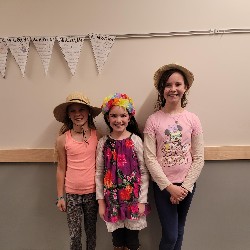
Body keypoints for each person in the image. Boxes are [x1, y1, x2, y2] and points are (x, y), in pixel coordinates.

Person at [143, 64, 204, 250]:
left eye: (178, 84)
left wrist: (184, 187)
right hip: (164, 187)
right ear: (162, 89)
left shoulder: (192, 119)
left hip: (187, 185)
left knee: (179, 230)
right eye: (168, 85)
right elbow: (150, 158)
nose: (173, 89)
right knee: (170, 236)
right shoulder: (153, 120)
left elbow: (199, 157)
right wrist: (170, 188)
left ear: (185, 88)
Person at [95, 93, 150, 250]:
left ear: (129, 117)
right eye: (113, 116)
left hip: (133, 201)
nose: (118, 120)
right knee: (117, 242)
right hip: (112, 203)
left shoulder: (136, 141)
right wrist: (101, 202)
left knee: (132, 242)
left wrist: (142, 201)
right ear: (107, 118)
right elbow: (99, 173)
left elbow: (144, 172)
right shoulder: (103, 143)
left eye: (123, 115)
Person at [53, 92, 101, 250]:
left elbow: (101, 166)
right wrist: (61, 196)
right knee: (74, 235)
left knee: (91, 233)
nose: (77, 114)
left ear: (88, 112)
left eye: (81, 109)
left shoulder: (98, 136)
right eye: (72, 110)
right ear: (68, 114)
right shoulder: (62, 139)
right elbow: (61, 168)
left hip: (92, 193)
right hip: (72, 194)